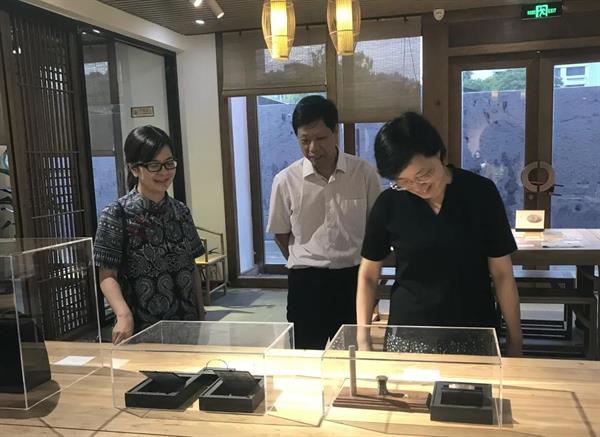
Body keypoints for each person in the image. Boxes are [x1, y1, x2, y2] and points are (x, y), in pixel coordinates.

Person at [356, 112, 523, 356]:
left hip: (475, 329)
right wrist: (363, 338)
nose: (418, 187)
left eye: (424, 174)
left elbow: (502, 274)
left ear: (439, 153)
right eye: (404, 181)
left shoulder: (480, 193)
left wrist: (516, 340)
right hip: (410, 332)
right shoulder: (389, 203)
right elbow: (368, 275)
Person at [267, 95, 381, 350]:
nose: (313, 148)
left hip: (352, 280)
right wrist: (306, 259)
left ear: (335, 132)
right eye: (304, 140)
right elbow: (281, 233)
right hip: (306, 284)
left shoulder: (363, 174)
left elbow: (376, 231)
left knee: (352, 357)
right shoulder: (285, 180)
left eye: (320, 138)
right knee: (306, 358)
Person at [94, 125, 206, 344]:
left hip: (186, 323)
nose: (164, 172)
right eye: (154, 165)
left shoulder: (181, 211)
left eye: (169, 163)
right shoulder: (116, 214)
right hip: (142, 327)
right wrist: (123, 315)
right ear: (134, 169)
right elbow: (107, 275)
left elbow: (191, 267)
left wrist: (201, 311)